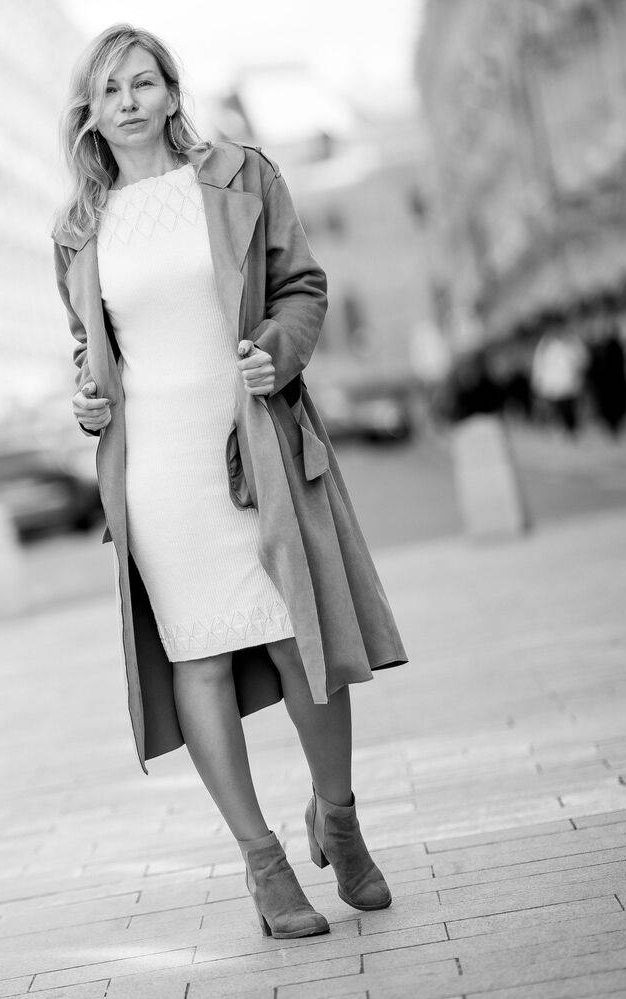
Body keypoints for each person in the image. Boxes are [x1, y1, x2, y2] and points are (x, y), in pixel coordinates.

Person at [53, 25, 406, 939]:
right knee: (199, 660)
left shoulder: (243, 175)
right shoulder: (79, 227)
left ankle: (338, 817)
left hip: (253, 446)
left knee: (298, 637)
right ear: (90, 111)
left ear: (173, 92)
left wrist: (277, 354)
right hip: (157, 471)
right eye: (109, 89)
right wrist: (89, 397)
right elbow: (92, 347)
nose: (128, 101)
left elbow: (303, 287)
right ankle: (263, 863)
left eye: (143, 82)